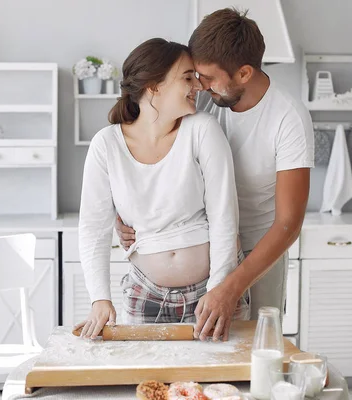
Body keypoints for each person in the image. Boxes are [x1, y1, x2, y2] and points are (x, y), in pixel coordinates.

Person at [117, 8, 314, 341]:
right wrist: (124, 218)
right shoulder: (204, 101)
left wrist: (230, 286)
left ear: (244, 73)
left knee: (254, 346)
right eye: (195, 75)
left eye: (207, 77)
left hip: (258, 253)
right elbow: (152, 159)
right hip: (204, 247)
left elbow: (288, 224)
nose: (198, 85)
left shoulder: (288, 119)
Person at [75, 38, 250, 340]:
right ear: (154, 85)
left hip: (212, 291)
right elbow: (93, 228)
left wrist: (219, 290)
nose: (197, 85)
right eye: (187, 77)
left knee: (220, 383)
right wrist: (99, 298)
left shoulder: (202, 129)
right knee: (149, 383)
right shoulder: (106, 145)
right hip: (146, 294)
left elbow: (225, 218)